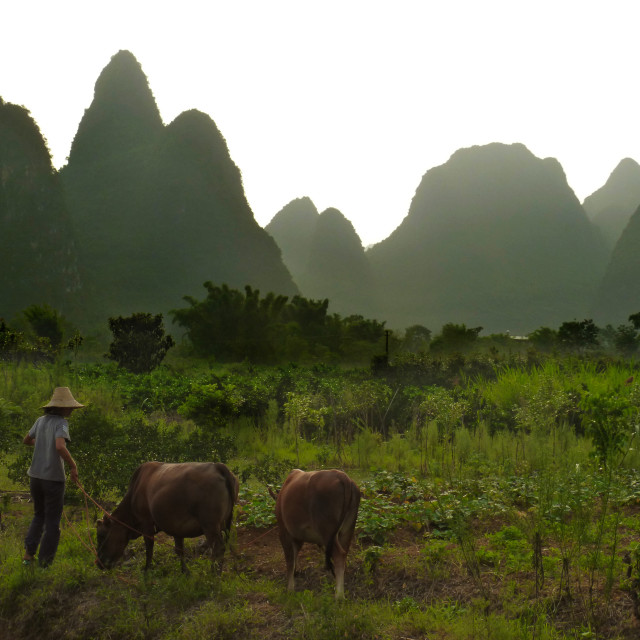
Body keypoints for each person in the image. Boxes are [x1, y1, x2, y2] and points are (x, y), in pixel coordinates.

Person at [22, 386, 84, 567]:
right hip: (53, 480)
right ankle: (45, 563)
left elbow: (27, 440)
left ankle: (28, 555)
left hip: (35, 477)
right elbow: (59, 446)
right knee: (52, 522)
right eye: (70, 406)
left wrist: (42, 444)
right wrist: (73, 466)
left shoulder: (40, 421)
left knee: (38, 515)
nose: (72, 409)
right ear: (61, 408)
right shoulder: (61, 423)